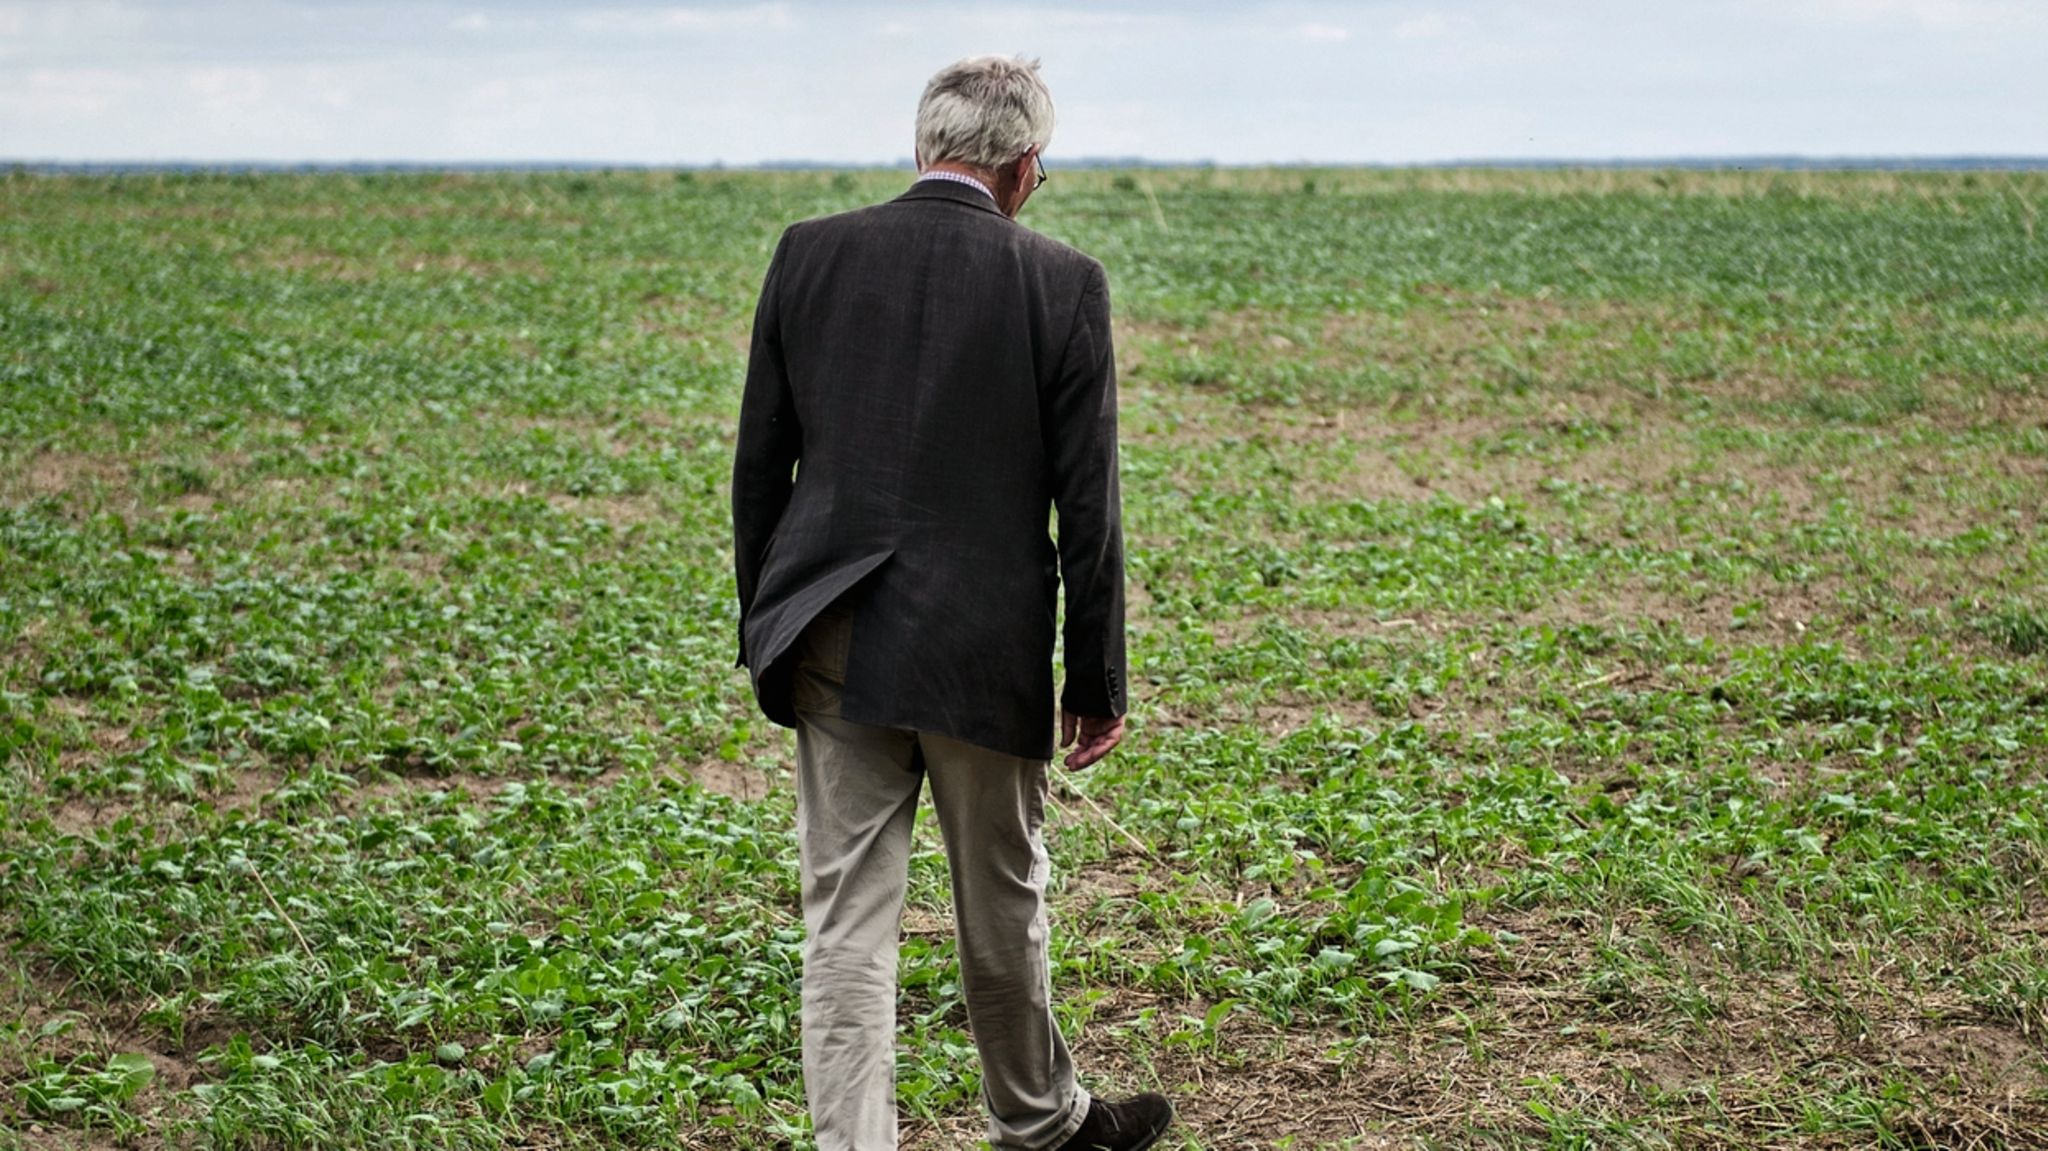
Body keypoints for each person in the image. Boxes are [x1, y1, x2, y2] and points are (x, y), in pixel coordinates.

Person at [731, 53, 1175, 1151]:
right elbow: (1090, 503)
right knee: (1002, 900)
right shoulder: (1062, 281)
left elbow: (760, 468)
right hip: (982, 644)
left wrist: (769, 624)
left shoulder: (808, 252)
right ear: (1024, 168)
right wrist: (1096, 677)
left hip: (827, 623)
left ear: (922, 146)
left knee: (844, 918)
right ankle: (1039, 1122)